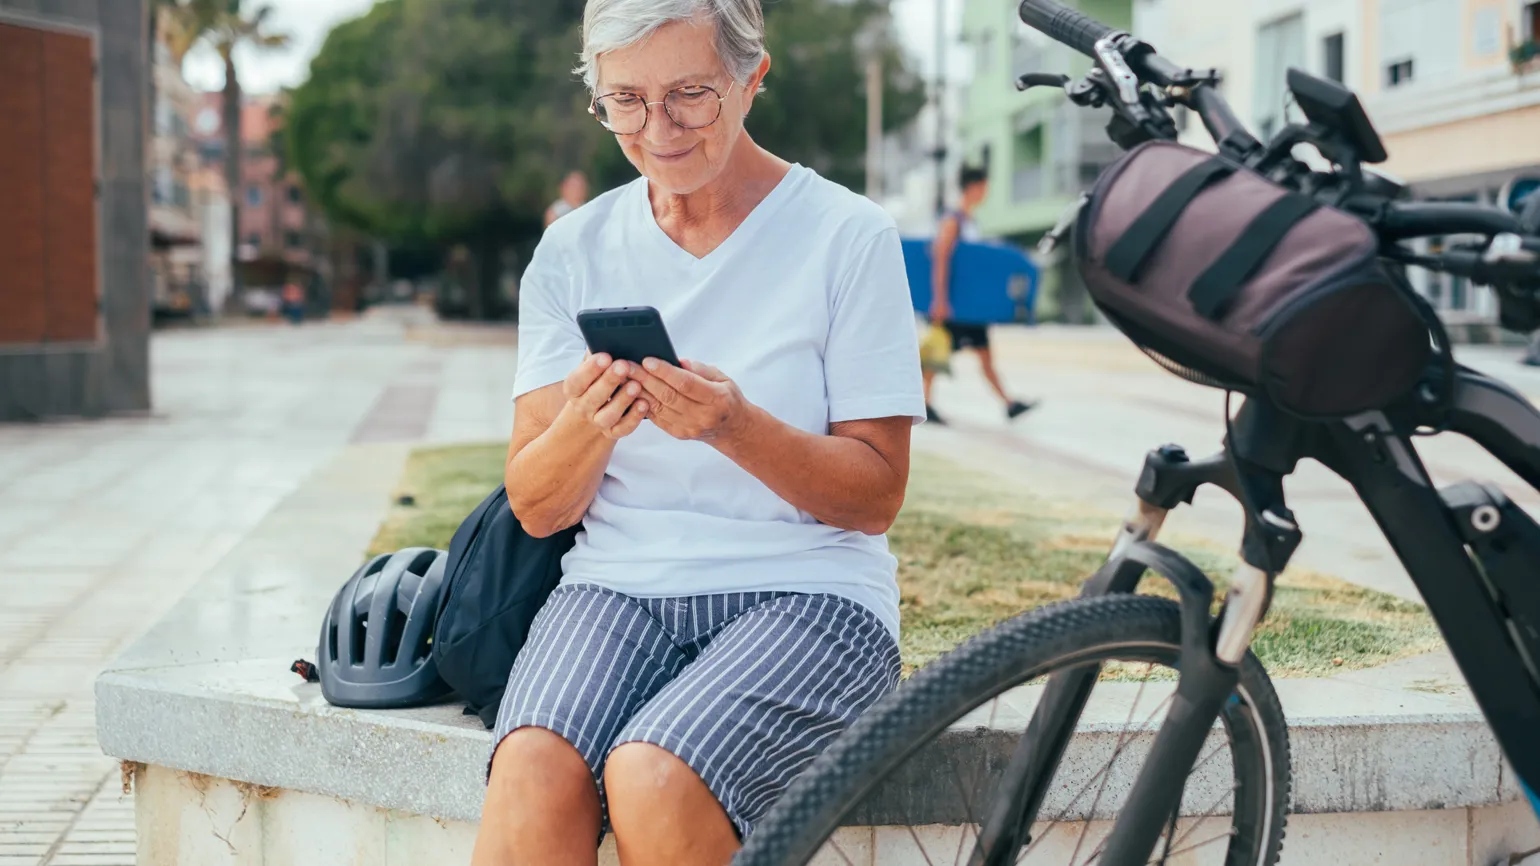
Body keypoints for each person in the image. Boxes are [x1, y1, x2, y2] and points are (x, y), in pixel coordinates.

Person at [471, 1, 924, 864]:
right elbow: (535, 506)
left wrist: (735, 426)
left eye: (688, 94)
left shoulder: (847, 237)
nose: (657, 129)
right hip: (615, 590)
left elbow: (875, 496)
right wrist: (588, 424)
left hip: (812, 594)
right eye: (625, 101)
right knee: (531, 766)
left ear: (752, 79)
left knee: (654, 772)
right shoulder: (572, 251)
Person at [924, 165, 1035, 425]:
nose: (986, 193)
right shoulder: (954, 219)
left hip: (971, 307)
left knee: (982, 356)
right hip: (954, 306)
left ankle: (1009, 404)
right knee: (937, 356)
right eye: (985, 187)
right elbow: (941, 256)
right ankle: (925, 404)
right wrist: (940, 300)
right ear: (974, 187)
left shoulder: (969, 220)